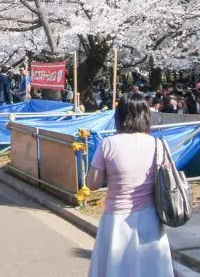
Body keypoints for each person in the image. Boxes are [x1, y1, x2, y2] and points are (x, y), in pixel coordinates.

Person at [85, 92, 174, 277]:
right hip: (150, 218)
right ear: (146, 115)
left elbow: (92, 184)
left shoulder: (107, 144)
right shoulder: (158, 145)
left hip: (116, 220)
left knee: (116, 269)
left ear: (120, 116)